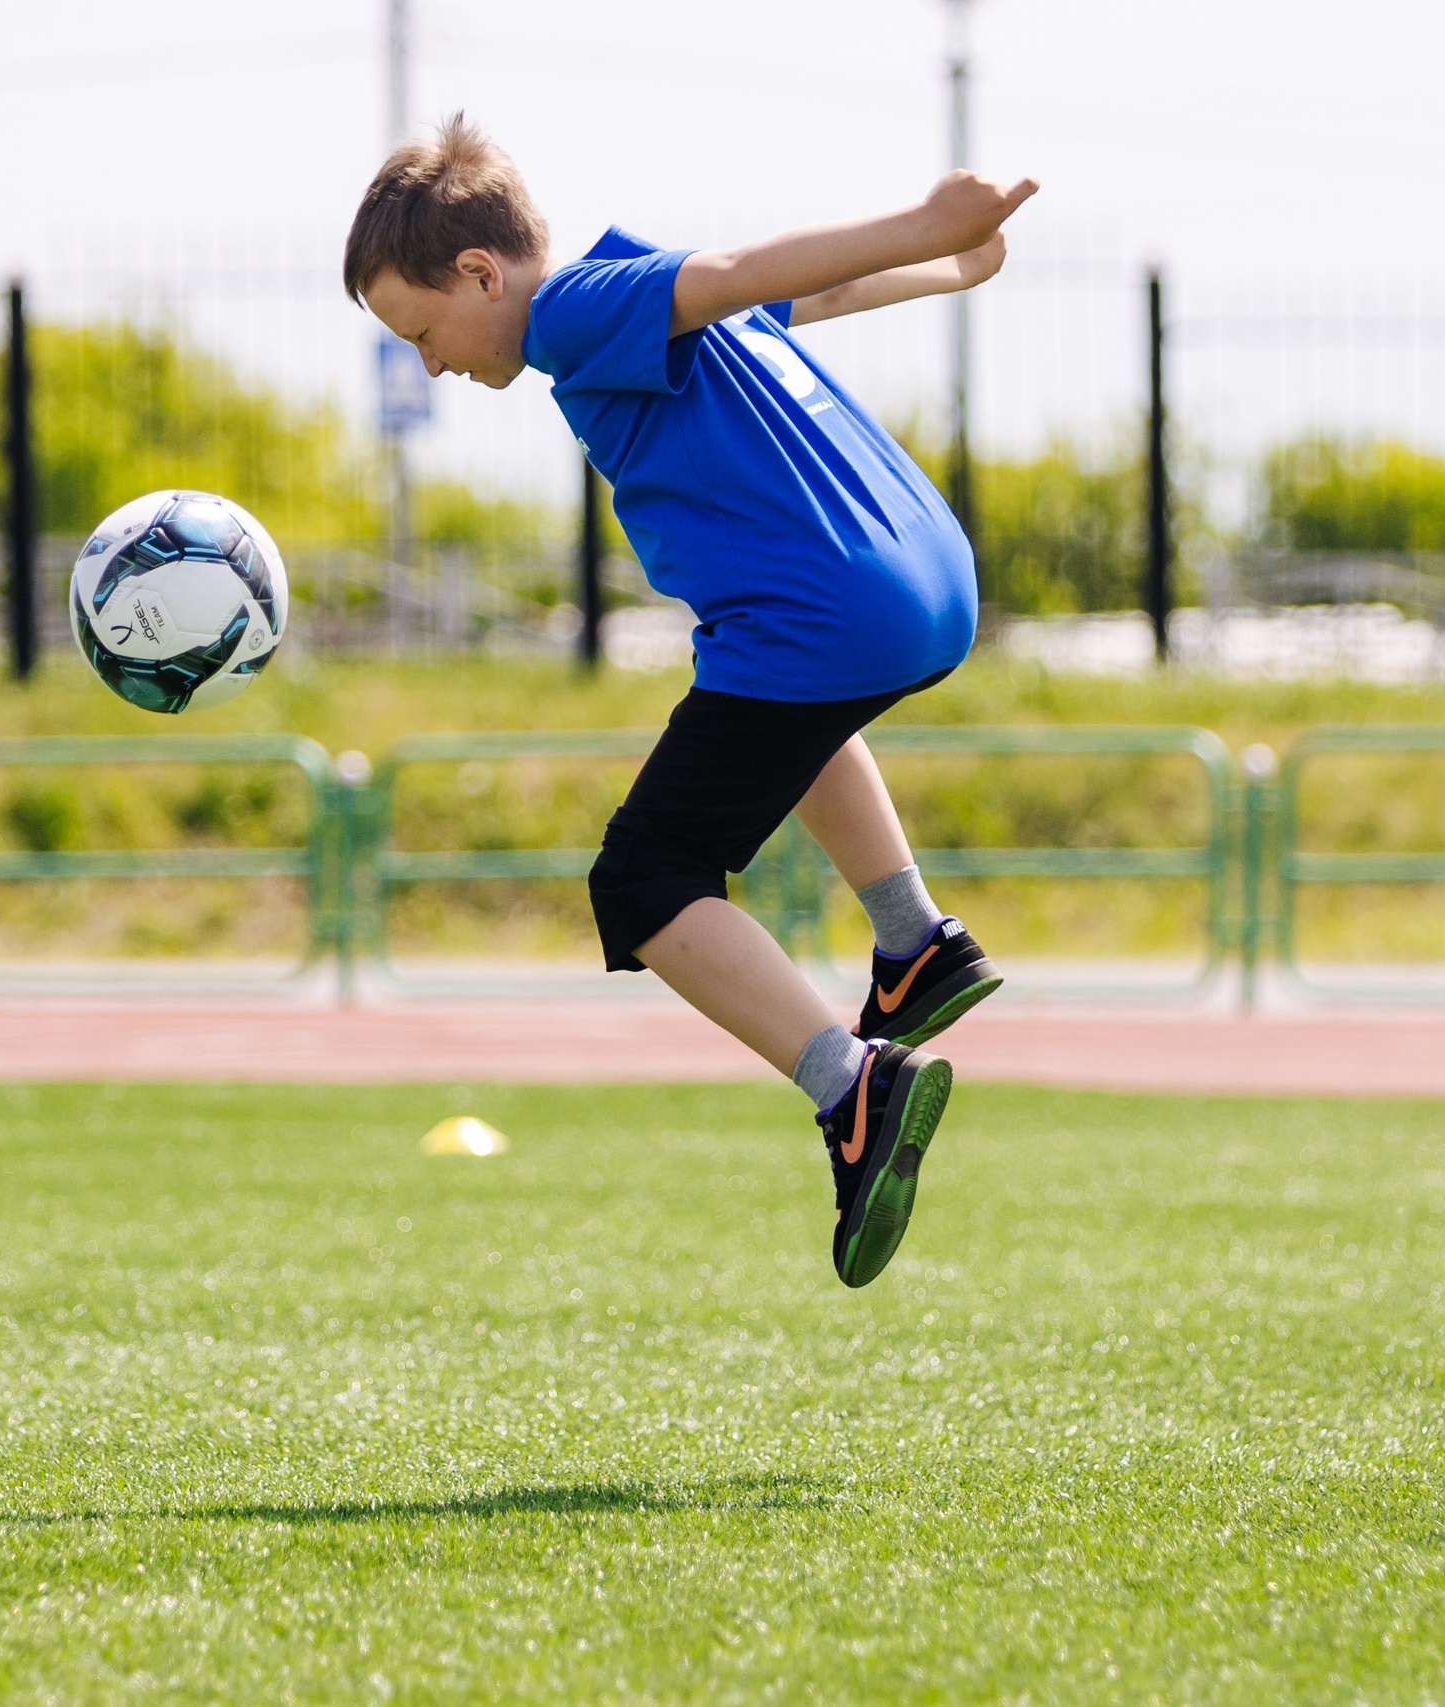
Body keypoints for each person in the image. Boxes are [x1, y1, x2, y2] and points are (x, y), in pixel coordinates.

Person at [345, 116, 1030, 1289]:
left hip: (829, 610)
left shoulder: (570, 313)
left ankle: (849, 1087)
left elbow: (741, 272)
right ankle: (914, 942)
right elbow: (795, 302)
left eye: (422, 332)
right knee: (759, 688)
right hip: (919, 588)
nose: (432, 365)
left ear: (478, 272)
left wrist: (927, 224)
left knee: (645, 879)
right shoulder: (634, 295)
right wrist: (949, 267)